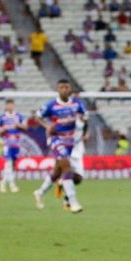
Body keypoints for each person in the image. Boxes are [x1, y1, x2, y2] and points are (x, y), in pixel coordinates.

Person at [34, 80, 86, 213]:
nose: (64, 89)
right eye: (61, 87)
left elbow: (85, 115)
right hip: (56, 139)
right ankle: (73, 202)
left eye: (66, 87)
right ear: (57, 89)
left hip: (70, 140)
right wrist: (47, 126)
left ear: (70, 88)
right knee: (67, 167)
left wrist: (83, 118)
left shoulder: (76, 103)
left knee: (57, 171)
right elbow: (38, 116)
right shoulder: (51, 105)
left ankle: (39, 193)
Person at [0, 100, 27, 193]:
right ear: (6, 106)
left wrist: (19, 125)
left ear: (14, 105)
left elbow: (25, 127)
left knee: (13, 164)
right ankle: (12, 184)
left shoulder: (19, 116)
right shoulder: (2, 117)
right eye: (8, 105)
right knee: (8, 163)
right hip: (6, 142)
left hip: (16, 142)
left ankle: (3, 183)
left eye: (11, 104)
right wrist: (1, 129)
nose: (10, 106)